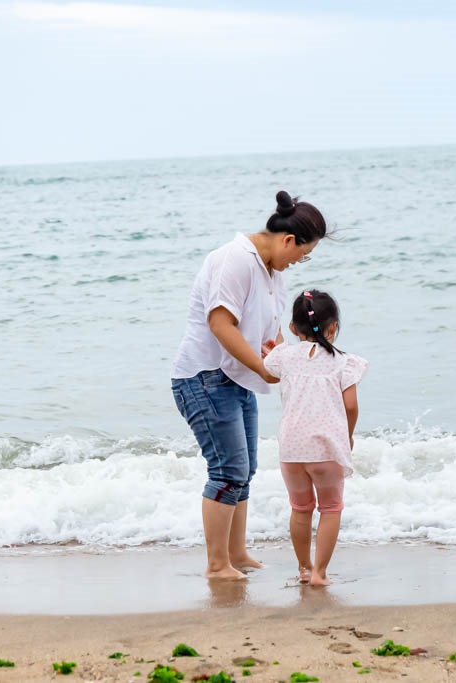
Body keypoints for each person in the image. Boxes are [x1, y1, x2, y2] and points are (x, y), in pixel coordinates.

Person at [171, 191, 327, 580]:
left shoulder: (270, 271)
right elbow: (219, 324)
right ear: (288, 240)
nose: (298, 263)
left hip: (236, 378)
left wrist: (279, 358)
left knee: (246, 470)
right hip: (203, 376)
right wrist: (262, 366)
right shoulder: (235, 260)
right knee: (227, 470)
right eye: (302, 255)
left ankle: (236, 554)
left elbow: (265, 334)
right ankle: (216, 564)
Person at [263, 289, 368, 586]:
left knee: (300, 509)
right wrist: (347, 436)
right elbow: (350, 406)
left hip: (292, 449)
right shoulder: (344, 362)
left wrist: (272, 352)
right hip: (327, 448)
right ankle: (321, 573)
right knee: (331, 508)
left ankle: (304, 569)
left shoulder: (283, 355)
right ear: (333, 327)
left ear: (293, 329)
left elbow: (268, 368)